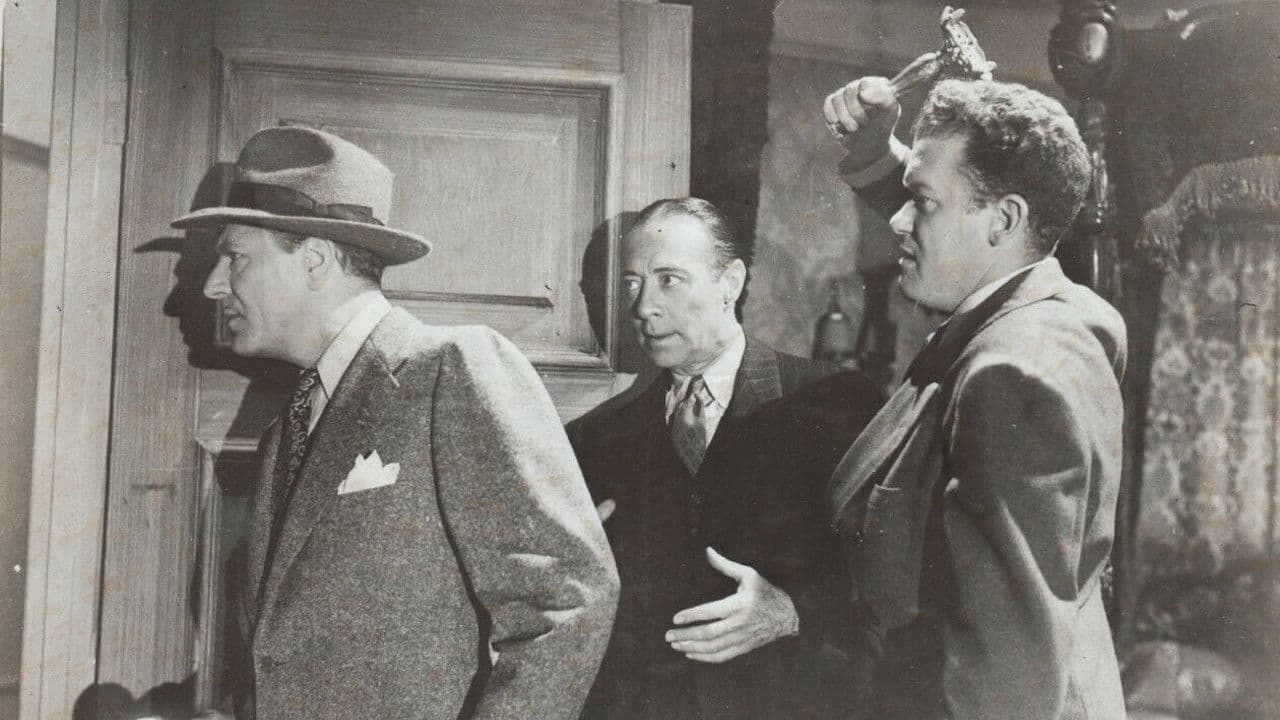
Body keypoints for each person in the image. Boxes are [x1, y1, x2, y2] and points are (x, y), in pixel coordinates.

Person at [172, 126, 618, 720]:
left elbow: (566, 601)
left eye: (235, 257)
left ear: (314, 260)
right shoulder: (289, 426)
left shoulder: (452, 368)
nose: (212, 285)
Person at [822, 77, 1128, 719]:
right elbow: (958, 212)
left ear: (1006, 219)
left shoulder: (1013, 376)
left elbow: (1002, 682)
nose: (898, 220)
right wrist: (880, 152)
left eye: (921, 203)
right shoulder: (1043, 303)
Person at [567, 198, 883, 719]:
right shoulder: (597, 438)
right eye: (632, 284)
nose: (642, 307)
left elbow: (891, 582)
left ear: (730, 283)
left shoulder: (833, 403)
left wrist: (792, 610)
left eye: (669, 280)